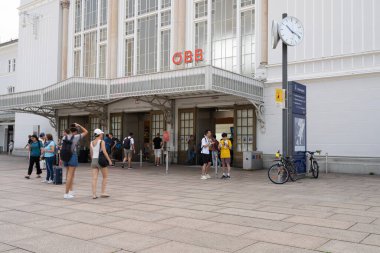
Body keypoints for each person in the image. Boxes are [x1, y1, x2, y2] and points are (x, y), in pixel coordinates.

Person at [63, 123, 88, 199]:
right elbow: (86, 131)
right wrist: (79, 125)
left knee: (69, 175)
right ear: (75, 131)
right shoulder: (76, 137)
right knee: (70, 176)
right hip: (72, 155)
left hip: (65, 156)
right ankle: (66, 193)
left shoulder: (64, 137)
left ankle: (70, 191)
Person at [90, 129, 112, 199]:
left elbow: (91, 153)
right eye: (101, 134)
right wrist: (109, 160)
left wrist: (93, 160)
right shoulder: (102, 142)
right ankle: (103, 192)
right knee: (105, 177)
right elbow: (105, 152)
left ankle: (94, 194)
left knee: (94, 178)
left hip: (94, 160)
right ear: (99, 134)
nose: (102, 135)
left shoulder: (91, 142)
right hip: (100, 160)